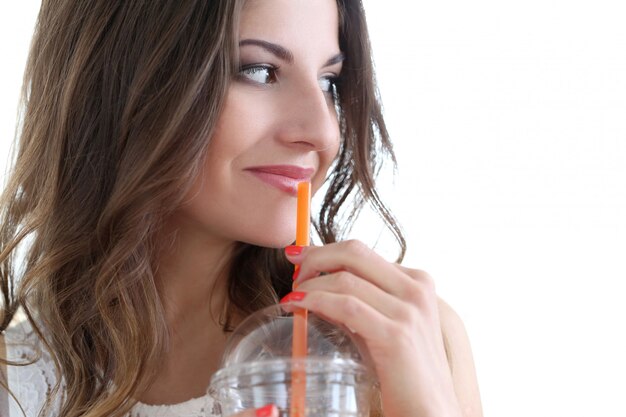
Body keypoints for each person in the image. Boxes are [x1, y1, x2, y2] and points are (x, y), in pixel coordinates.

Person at [0, 0, 482, 416]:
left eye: (329, 81)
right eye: (259, 71)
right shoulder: (15, 383)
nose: (323, 131)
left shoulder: (402, 342)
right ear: (122, 80)